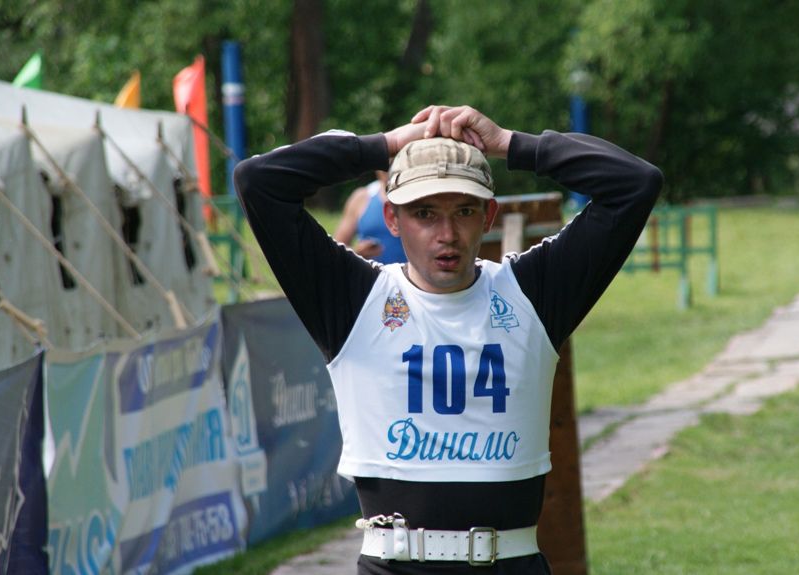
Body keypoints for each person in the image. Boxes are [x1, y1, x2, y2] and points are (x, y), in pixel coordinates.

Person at [235, 105, 661, 573]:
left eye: (464, 211)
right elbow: (259, 181)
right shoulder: (353, 300)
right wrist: (384, 145)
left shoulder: (532, 294)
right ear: (392, 218)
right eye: (424, 213)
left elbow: (634, 183)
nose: (447, 235)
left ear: (488, 215)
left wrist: (510, 144)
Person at [335, 170, 408, 263]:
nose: (389, 168)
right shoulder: (362, 197)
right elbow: (337, 248)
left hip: (412, 272)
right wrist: (356, 253)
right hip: (370, 272)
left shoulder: (417, 196)